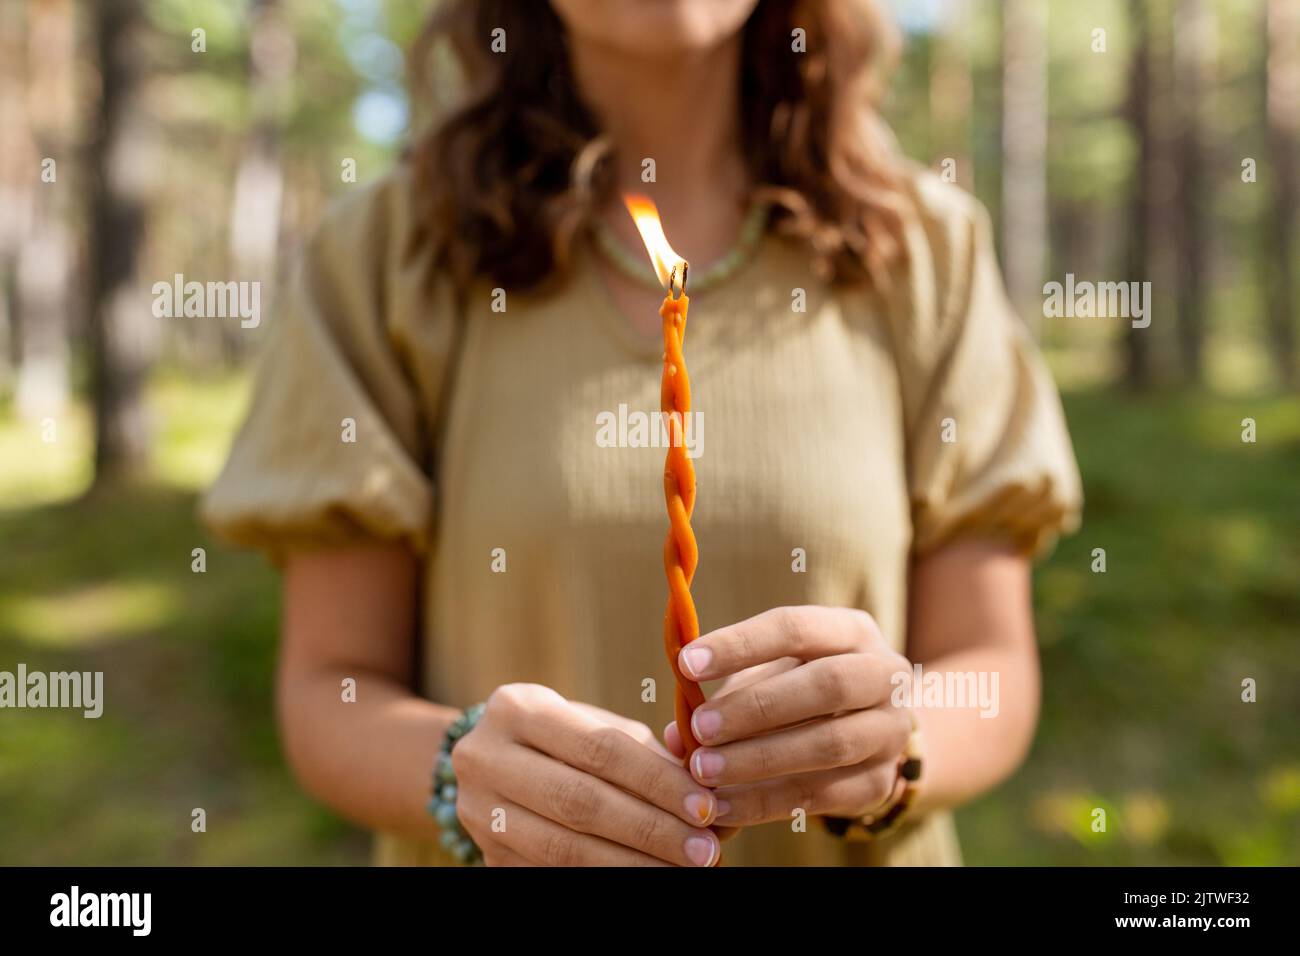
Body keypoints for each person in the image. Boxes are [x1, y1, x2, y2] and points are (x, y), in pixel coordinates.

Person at [202, 0, 1082, 867]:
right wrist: (461, 774)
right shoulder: (388, 257)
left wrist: (899, 741)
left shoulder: (923, 250)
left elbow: (990, 663)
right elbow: (331, 688)